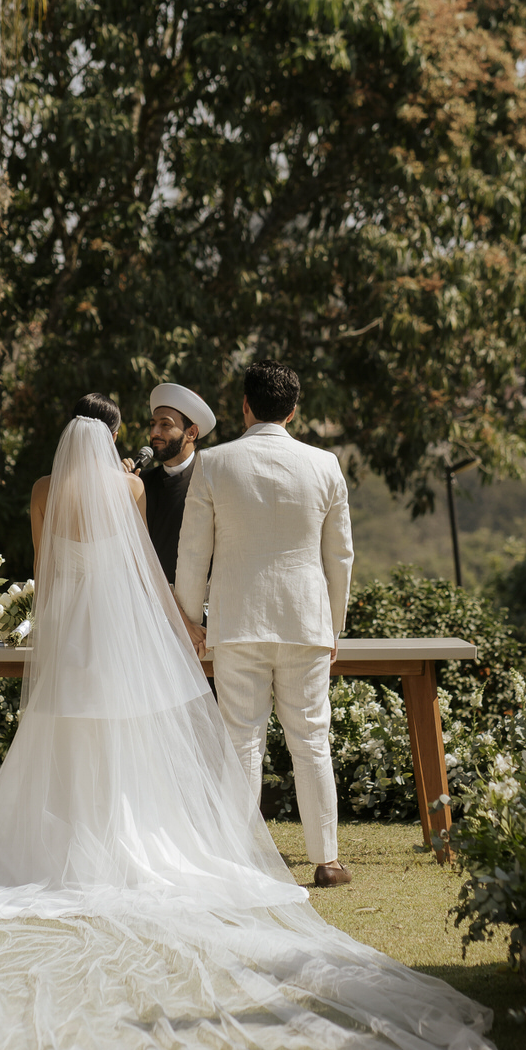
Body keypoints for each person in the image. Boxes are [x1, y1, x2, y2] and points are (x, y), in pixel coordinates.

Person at [0, 391, 498, 1050]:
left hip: (69, 631)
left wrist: (46, 627)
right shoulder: (129, 488)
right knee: (143, 737)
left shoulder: (42, 491)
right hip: (122, 632)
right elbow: (141, 569)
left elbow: (46, 568)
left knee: (65, 739)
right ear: (112, 437)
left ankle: (69, 842)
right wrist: (179, 625)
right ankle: (159, 841)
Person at [174, 360, 355, 888]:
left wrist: (189, 621)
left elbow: (193, 552)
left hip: (237, 621)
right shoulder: (325, 465)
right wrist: (333, 627)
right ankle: (327, 861)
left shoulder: (214, 463)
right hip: (306, 621)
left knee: (241, 741)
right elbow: (340, 556)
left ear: (245, 407)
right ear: (293, 411)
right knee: (312, 740)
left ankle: (238, 859)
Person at [123, 383, 217, 584]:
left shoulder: (211, 483)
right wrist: (120, 485)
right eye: (153, 424)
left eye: (165, 425)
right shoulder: (140, 482)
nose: (154, 433)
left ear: (192, 432)